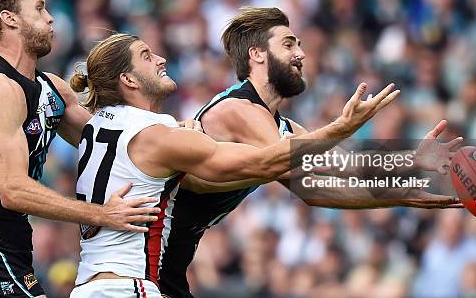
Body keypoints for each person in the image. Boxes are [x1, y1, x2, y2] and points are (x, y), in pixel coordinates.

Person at [157, 7, 463, 297]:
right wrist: (343, 127)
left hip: (168, 259)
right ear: (257, 54)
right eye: (289, 44)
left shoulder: (282, 127)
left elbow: (329, 179)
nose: (300, 53)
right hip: (143, 250)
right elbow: (297, 169)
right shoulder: (237, 109)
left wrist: (410, 169)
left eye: (299, 45)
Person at [67, 32, 397, 298]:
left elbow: (335, 173)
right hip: (133, 285)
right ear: (129, 79)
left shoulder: (97, 125)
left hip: (89, 286)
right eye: (146, 56)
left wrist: (412, 173)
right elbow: (270, 164)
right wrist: (340, 127)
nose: (161, 59)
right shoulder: (167, 134)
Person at [0, 0, 160, 298]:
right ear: (9, 19)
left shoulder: (52, 89)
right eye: (40, 9)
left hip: (9, 244)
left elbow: (107, 144)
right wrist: (102, 214)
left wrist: (170, 134)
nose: (51, 18)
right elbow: (13, 190)